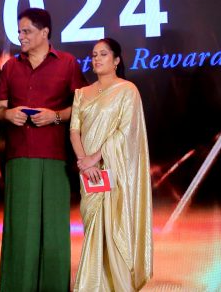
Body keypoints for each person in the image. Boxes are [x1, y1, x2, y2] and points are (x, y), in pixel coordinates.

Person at [0, 8, 86, 291]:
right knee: (20, 229)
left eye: (27, 31)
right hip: (19, 156)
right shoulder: (10, 67)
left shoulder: (67, 63)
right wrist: (8, 114)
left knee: (54, 230)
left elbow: (83, 108)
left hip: (55, 156)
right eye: (19, 32)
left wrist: (55, 116)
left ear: (45, 32)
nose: (21, 37)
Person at [70, 38, 153, 291]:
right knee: (94, 230)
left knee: (116, 230)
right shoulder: (82, 94)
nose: (96, 58)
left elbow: (126, 132)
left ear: (116, 60)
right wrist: (85, 164)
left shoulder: (127, 91)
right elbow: (74, 131)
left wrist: (95, 157)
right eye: (94, 54)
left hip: (116, 174)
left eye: (103, 54)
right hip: (90, 175)